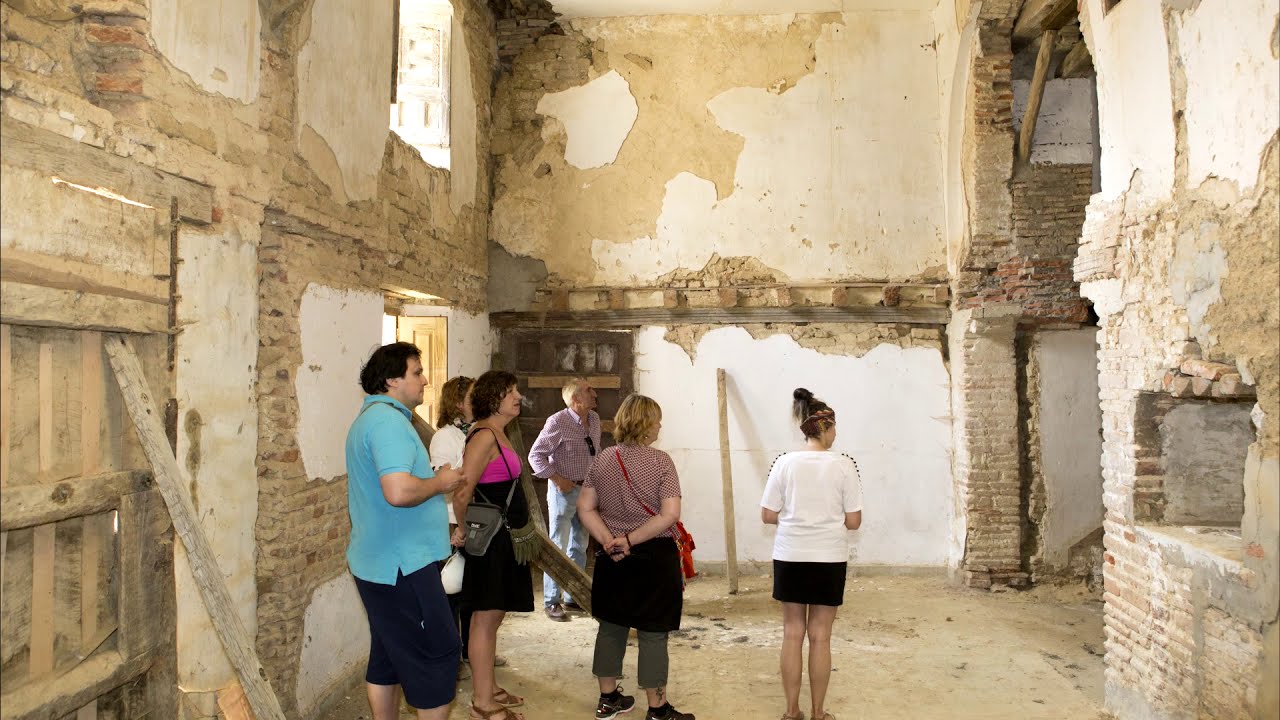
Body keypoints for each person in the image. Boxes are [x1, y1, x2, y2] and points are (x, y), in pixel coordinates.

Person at [345, 342, 463, 720]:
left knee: (389, 653)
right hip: (401, 565)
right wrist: (441, 483)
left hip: (381, 561)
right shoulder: (388, 423)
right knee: (436, 653)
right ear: (392, 380)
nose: (425, 380)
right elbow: (397, 492)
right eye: (417, 372)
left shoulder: (374, 418)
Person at [578, 394, 695, 720]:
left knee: (611, 627)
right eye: (656, 420)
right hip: (653, 557)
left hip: (612, 556)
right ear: (645, 424)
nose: (660, 425)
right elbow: (670, 514)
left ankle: (607, 700)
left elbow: (585, 507)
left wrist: (611, 541)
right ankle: (657, 709)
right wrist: (629, 540)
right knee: (653, 632)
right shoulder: (661, 462)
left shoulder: (603, 459)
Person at [760, 388, 863, 720]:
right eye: (834, 428)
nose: (836, 434)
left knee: (792, 633)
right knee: (821, 636)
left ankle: (792, 711)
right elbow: (854, 521)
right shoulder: (844, 465)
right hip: (828, 557)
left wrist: (795, 518)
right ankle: (818, 713)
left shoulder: (784, 463)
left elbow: (767, 514)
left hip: (790, 554)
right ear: (826, 427)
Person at [451, 370, 534, 720]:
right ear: (492, 397)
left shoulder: (500, 431)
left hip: (504, 537)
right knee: (484, 618)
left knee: (494, 614)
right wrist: (463, 529)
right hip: (490, 539)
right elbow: (462, 491)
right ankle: (482, 704)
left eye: (516, 390)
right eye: (509, 391)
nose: (518, 396)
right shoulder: (484, 435)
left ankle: (490, 687)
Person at [429, 375, 508, 679]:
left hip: (479, 520)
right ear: (457, 403)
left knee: (475, 591)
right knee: (452, 590)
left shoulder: (480, 431)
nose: (478, 401)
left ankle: (472, 651)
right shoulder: (444, 437)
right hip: (454, 519)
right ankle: (454, 658)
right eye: (472, 396)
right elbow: (445, 479)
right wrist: (475, 468)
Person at [528, 376, 600, 621]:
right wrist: (558, 480)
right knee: (558, 544)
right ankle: (551, 601)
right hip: (564, 492)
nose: (595, 393)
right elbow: (535, 456)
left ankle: (573, 596)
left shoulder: (594, 419)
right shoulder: (557, 421)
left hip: (587, 491)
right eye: (589, 390)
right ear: (575, 398)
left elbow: (595, 453)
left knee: (580, 544)